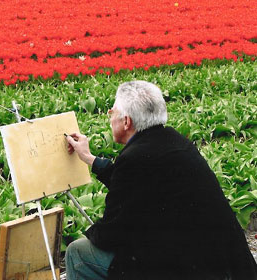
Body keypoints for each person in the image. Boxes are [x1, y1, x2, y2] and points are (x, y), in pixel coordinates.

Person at [64, 81, 257, 280]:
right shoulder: (173, 141)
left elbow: (111, 235)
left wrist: (90, 231)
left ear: (126, 122)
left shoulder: (135, 158)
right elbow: (139, 183)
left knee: (78, 252)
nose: (110, 114)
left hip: (189, 269)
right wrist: (90, 159)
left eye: (112, 111)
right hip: (228, 264)